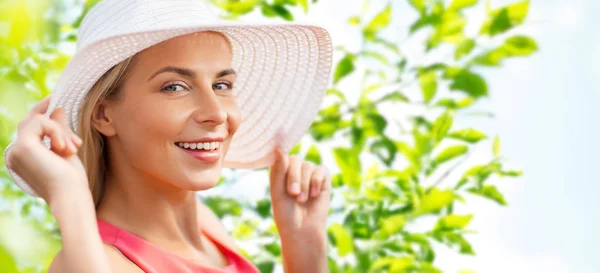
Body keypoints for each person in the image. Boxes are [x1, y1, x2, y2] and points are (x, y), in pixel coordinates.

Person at [3, 0, 333, 272]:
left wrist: (303, 251)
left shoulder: (206, 229)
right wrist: (67, 197)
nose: (216, 113)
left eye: (222, 85)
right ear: (104, 114)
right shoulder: (90, 263)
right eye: (174, 87)